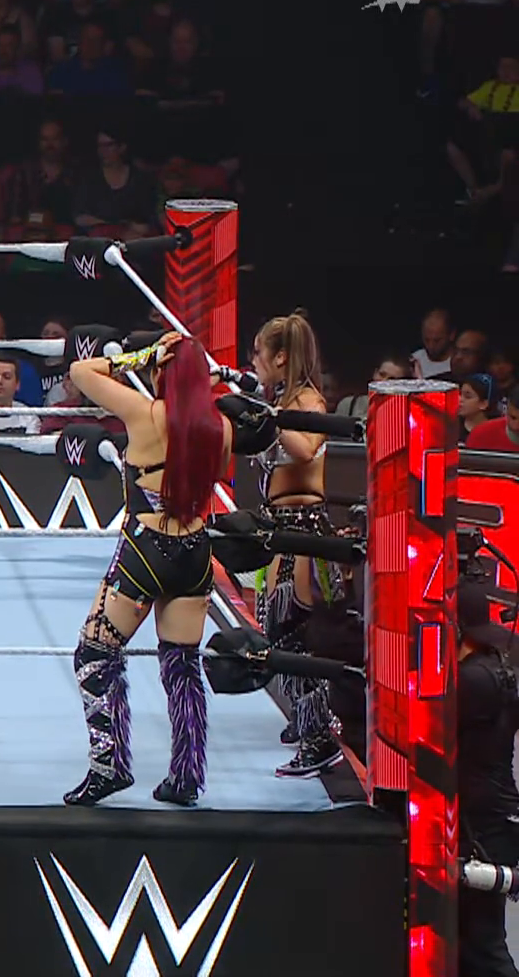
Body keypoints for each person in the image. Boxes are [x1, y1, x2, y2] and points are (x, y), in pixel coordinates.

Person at [63, 332, 231, 807]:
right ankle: (186, 776)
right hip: (195, 552)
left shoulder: (144, 413)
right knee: (182, 665)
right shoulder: (221, 428)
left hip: (146, 551)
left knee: (94, 653)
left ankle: (108, 765)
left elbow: (80, 371)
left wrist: (140, 356)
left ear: (162, 370)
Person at [246, 312, 344, 778]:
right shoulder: (283, 400)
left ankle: (320, 738)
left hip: (302, 529)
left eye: (259, 353)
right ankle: (309, 719)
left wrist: (270, 418)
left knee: (291, 634)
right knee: (276, 629)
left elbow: (305, 450)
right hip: (279, 527)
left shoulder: (309, 401)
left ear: (281, 357)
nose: (254, 361)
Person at [456, 579, 519, 977]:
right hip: (490, 822)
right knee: (468, 944)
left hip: (485, 829)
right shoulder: (493, 669)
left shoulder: (473, 681)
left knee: (482, 948)